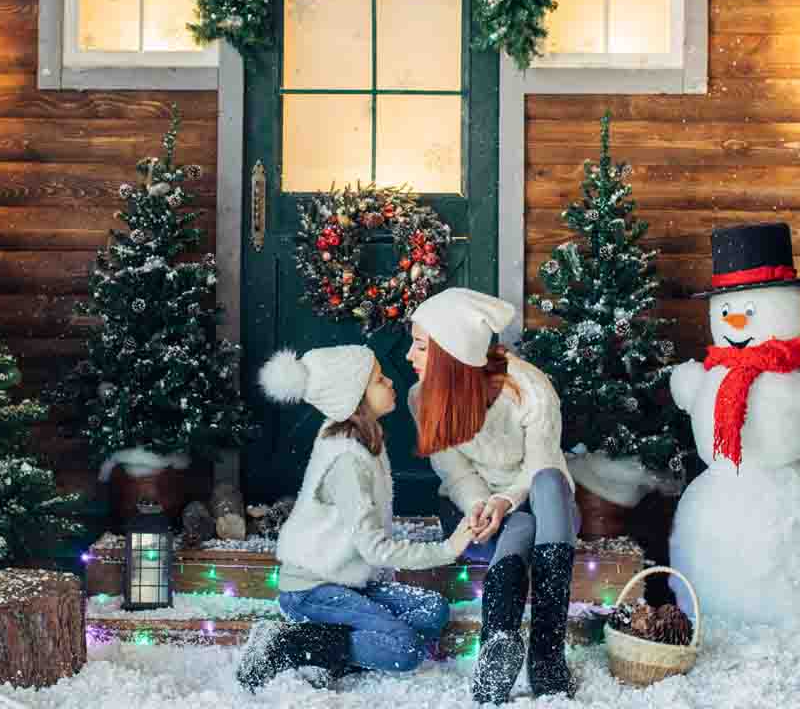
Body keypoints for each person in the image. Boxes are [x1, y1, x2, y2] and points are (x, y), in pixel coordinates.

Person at [236, 344, 474, 692]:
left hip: (347, 581)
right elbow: (375, 549)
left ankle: (330, 650)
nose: (390, 382)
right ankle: (285, 643)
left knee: (432, 608)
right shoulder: (347, 461)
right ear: (354, 397)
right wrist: (449, 549)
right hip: (312, 589)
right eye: (379, 379)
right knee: (404, 648)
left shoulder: (362, 437)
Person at [407, 288, 579, 703]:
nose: (409, 356)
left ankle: (546, 653)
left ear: (451, 355)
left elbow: (540, 464)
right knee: (518, 525)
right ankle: (498, 641)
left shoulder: (529, 390)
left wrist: (506, 500)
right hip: (478, 511)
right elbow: (455, 471)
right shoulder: (421, 398)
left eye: (420, 346)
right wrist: (483, 506)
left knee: (550, 483)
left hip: (542, 503)